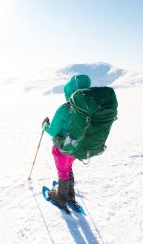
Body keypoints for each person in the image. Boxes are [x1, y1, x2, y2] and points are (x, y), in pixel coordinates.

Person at [42, 74, 91, 207]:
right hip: (77, 148)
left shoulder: (64, 109)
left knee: (63, 170)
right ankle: (70, 193)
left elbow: (53, 131)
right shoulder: (88, 110)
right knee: (68, 167)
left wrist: (45, 125)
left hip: (62, 148)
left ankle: (61, 196)